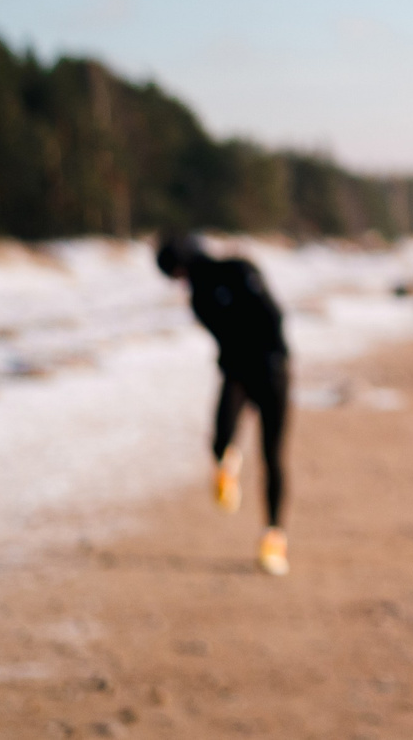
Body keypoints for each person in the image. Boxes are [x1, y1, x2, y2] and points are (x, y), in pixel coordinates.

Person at [155, 231, 292, 576]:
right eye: (174, 277)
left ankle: (273, 537)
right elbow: (225, 335)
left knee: (272, 456)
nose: (179, 281)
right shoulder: (198, 299)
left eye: (177, 273)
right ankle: (227, 467)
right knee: (219, 441)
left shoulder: (238, 269)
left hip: (272, 371)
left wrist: (263, 350)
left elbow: (273, 316)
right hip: (238, 372)